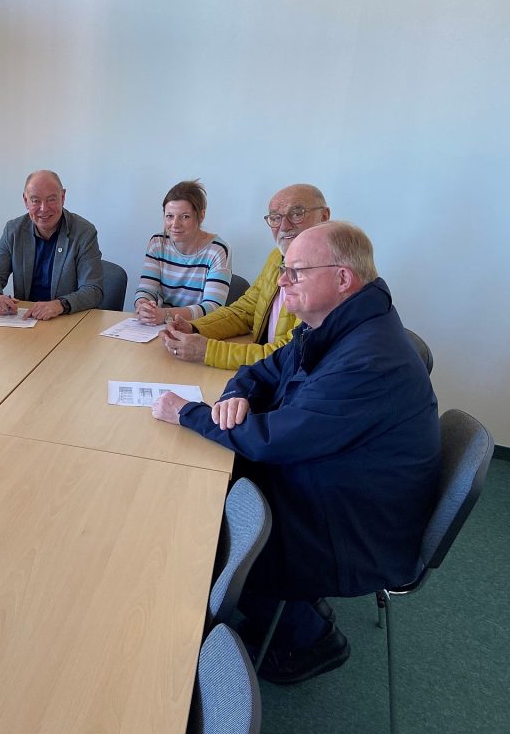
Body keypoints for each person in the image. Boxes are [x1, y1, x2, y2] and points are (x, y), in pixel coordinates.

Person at [151, 222, 440, 684]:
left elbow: (275, 440)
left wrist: (191, 414)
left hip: (355, 526)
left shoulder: (368, 359)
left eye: (296, 272)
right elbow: (267, 366)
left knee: (220, 527)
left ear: (342, 278)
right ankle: (289, 608)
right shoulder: (336, 322)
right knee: (221, 483)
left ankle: (311, 639)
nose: (282, 282)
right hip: (338, 482)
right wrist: (238, 394)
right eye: (284, 270)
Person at [159, 184, 330, 369]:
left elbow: (289, 356)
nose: (284, 226)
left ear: (324, 216)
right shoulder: (276, 257)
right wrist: (194, 327)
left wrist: (207, 350)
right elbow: (244, 312)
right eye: (275, 218)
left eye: (297, 214)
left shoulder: (326, 276)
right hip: (265, 373)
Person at [0, 170, 104, 320]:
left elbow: (93, 290)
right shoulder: (14, 230)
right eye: (35, 200)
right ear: (25, 201)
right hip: (26, 322)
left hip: (67, 322)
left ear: (62, 197)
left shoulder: (83, 232)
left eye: (51, 199)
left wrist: (60, 305)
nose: (44, 208)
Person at [133, 179, 231, 324]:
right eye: (169, 216)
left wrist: (166, 314)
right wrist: (143, 305)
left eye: (185, 217)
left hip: (198, 328)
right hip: (159, 327)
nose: (175, 224)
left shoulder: (217, 250)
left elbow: (213, 308)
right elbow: (146, 290)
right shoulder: (157, 243)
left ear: (201, 215)